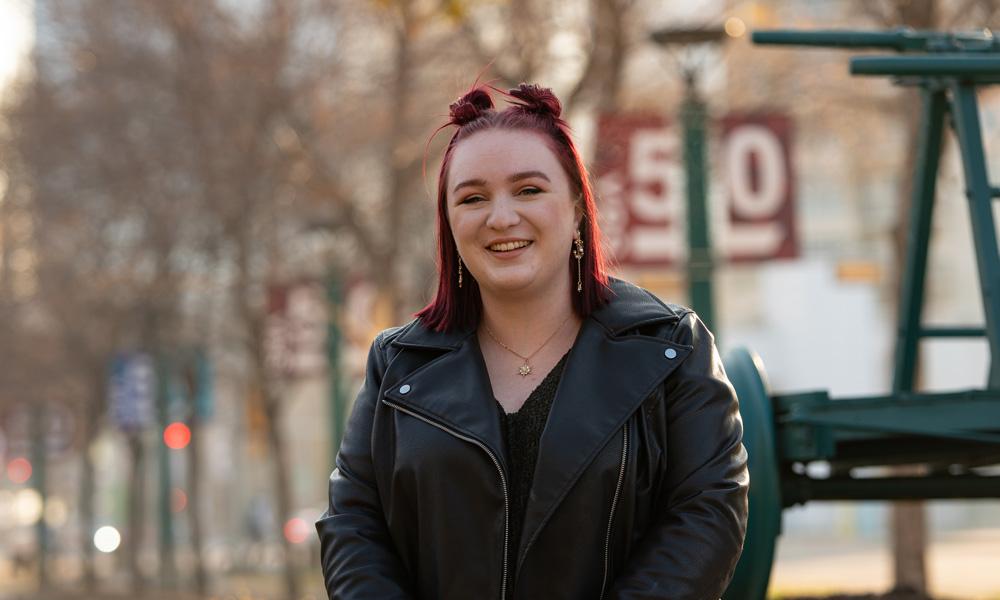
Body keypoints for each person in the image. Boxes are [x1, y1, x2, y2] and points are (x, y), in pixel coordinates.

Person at [316, 82, 749, 600]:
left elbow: (707, 512)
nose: (501, 217)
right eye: (473, 198)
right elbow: (353, 526)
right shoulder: (397, 364)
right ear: (450, 224)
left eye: (528, 190)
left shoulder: (672, 346)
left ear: (577, 211)